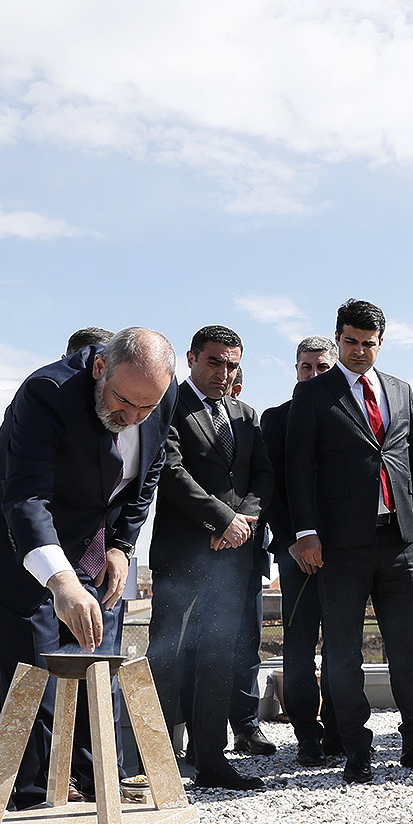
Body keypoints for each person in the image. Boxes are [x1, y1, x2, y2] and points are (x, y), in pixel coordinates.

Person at [0, 327, 177, 809]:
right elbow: (26, 497)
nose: (133, 417)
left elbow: (149, 473)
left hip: (94, 540)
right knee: (36, 668)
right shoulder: (46, 393)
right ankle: (36, 795)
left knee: (98, 661)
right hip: (17, 539)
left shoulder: (158, 392)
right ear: (99, 368)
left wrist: (121, 546)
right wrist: (61, 581)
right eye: (124, 403)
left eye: (146, 408)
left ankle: (99, 783)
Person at [286, 299, 413, 783]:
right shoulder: (313, 394)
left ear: (381, 343)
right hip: (340, 545)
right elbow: (299, 469)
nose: (359, 351)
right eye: (350, 341)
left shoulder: (400, 390)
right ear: (338, 338)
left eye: (368, 343)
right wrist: (306, 532)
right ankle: (355, 748)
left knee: (407, 648)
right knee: (344, 652)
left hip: (399, 541)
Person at [149, 325, 275, 791]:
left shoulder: (245, 415)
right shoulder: (167, 405)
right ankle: (155, 763)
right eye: (215, 362)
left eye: (232, 365)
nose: (224, 373)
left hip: (235, 557)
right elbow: (170, 471)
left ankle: (211, 761)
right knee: (168, 658)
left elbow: (263, 476)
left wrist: (243, 522)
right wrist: (221, 519)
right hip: (182, 557)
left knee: (219, 657)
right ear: (191, 359)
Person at [261, 336, 342, 766]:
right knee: (299, 648)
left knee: (342, 647)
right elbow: (270, 487)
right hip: (295, 554)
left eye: (322, 367)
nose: (313, 375)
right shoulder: (277, 419)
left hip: (345, 554)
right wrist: (292, 540)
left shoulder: (350, 414)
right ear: (295, 370)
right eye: (306, 367)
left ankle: (338, 731)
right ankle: (307, 735)